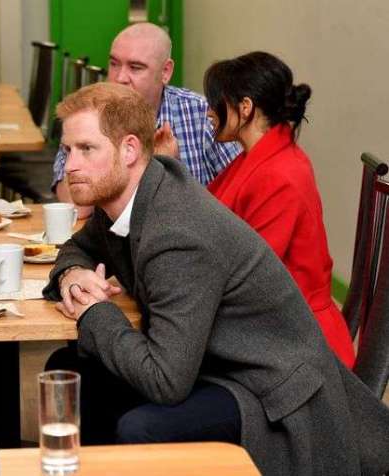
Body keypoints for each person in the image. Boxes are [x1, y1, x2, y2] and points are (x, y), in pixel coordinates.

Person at [42, 82, 389, 475]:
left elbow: (164, 382)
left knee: (141, 428)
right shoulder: (128, 194)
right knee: (67, 367)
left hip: (273, 393)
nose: (71, 165)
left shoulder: (177, 234)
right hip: (216, 364)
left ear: (130, 150)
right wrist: (74, 274)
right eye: (68, 149)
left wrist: (95, 313)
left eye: (87, 149)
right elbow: (77, 248)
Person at [203, 51, 355, 368]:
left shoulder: (278, 174)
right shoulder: (259, 156)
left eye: (215, 103)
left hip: (295, 343)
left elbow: (254, 276)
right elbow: (204, 214)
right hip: (268, 323)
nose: (208, 113)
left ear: (245, 108)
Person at [53, 22, 240, 218]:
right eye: (114, 64)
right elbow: (76, 209)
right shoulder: (89, 114)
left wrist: (169, 169)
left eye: (135, 68)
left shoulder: (202, 114)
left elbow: (237, 203)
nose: (120, 78)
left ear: (165, 72)